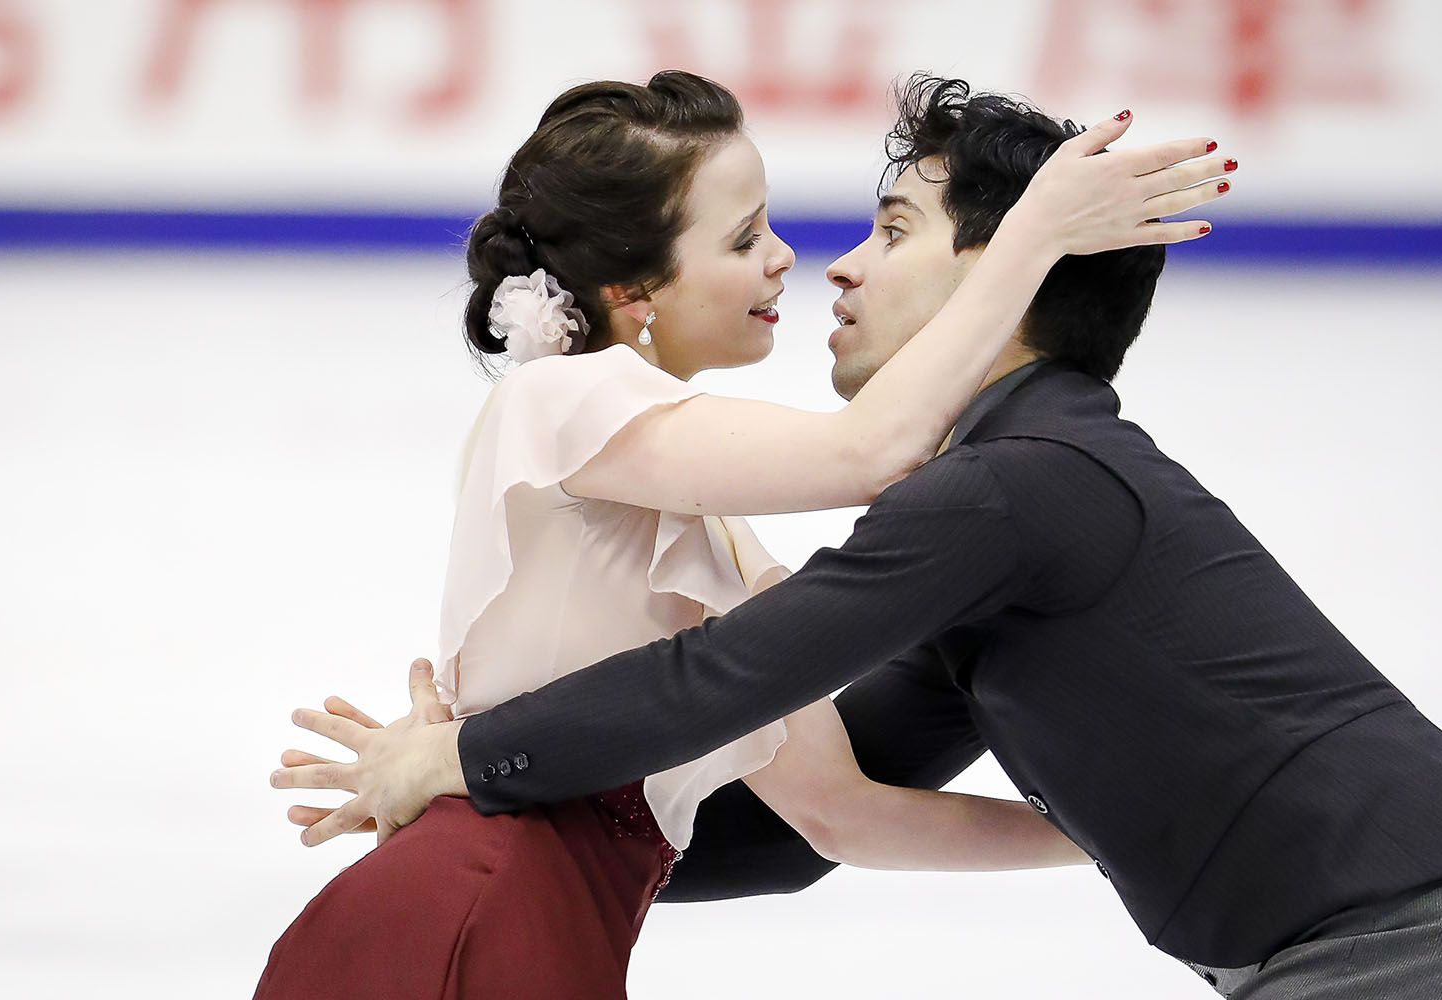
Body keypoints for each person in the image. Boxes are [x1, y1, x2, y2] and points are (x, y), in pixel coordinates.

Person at [277, 75, 1442, 1000]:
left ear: (1000, 273)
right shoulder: (992, 497)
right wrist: (480, 792)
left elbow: (742, 677)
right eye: (750, 238)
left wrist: (464, 762)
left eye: (891, 231)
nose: (827, 261)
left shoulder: (1009, 491)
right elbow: (815, 821)